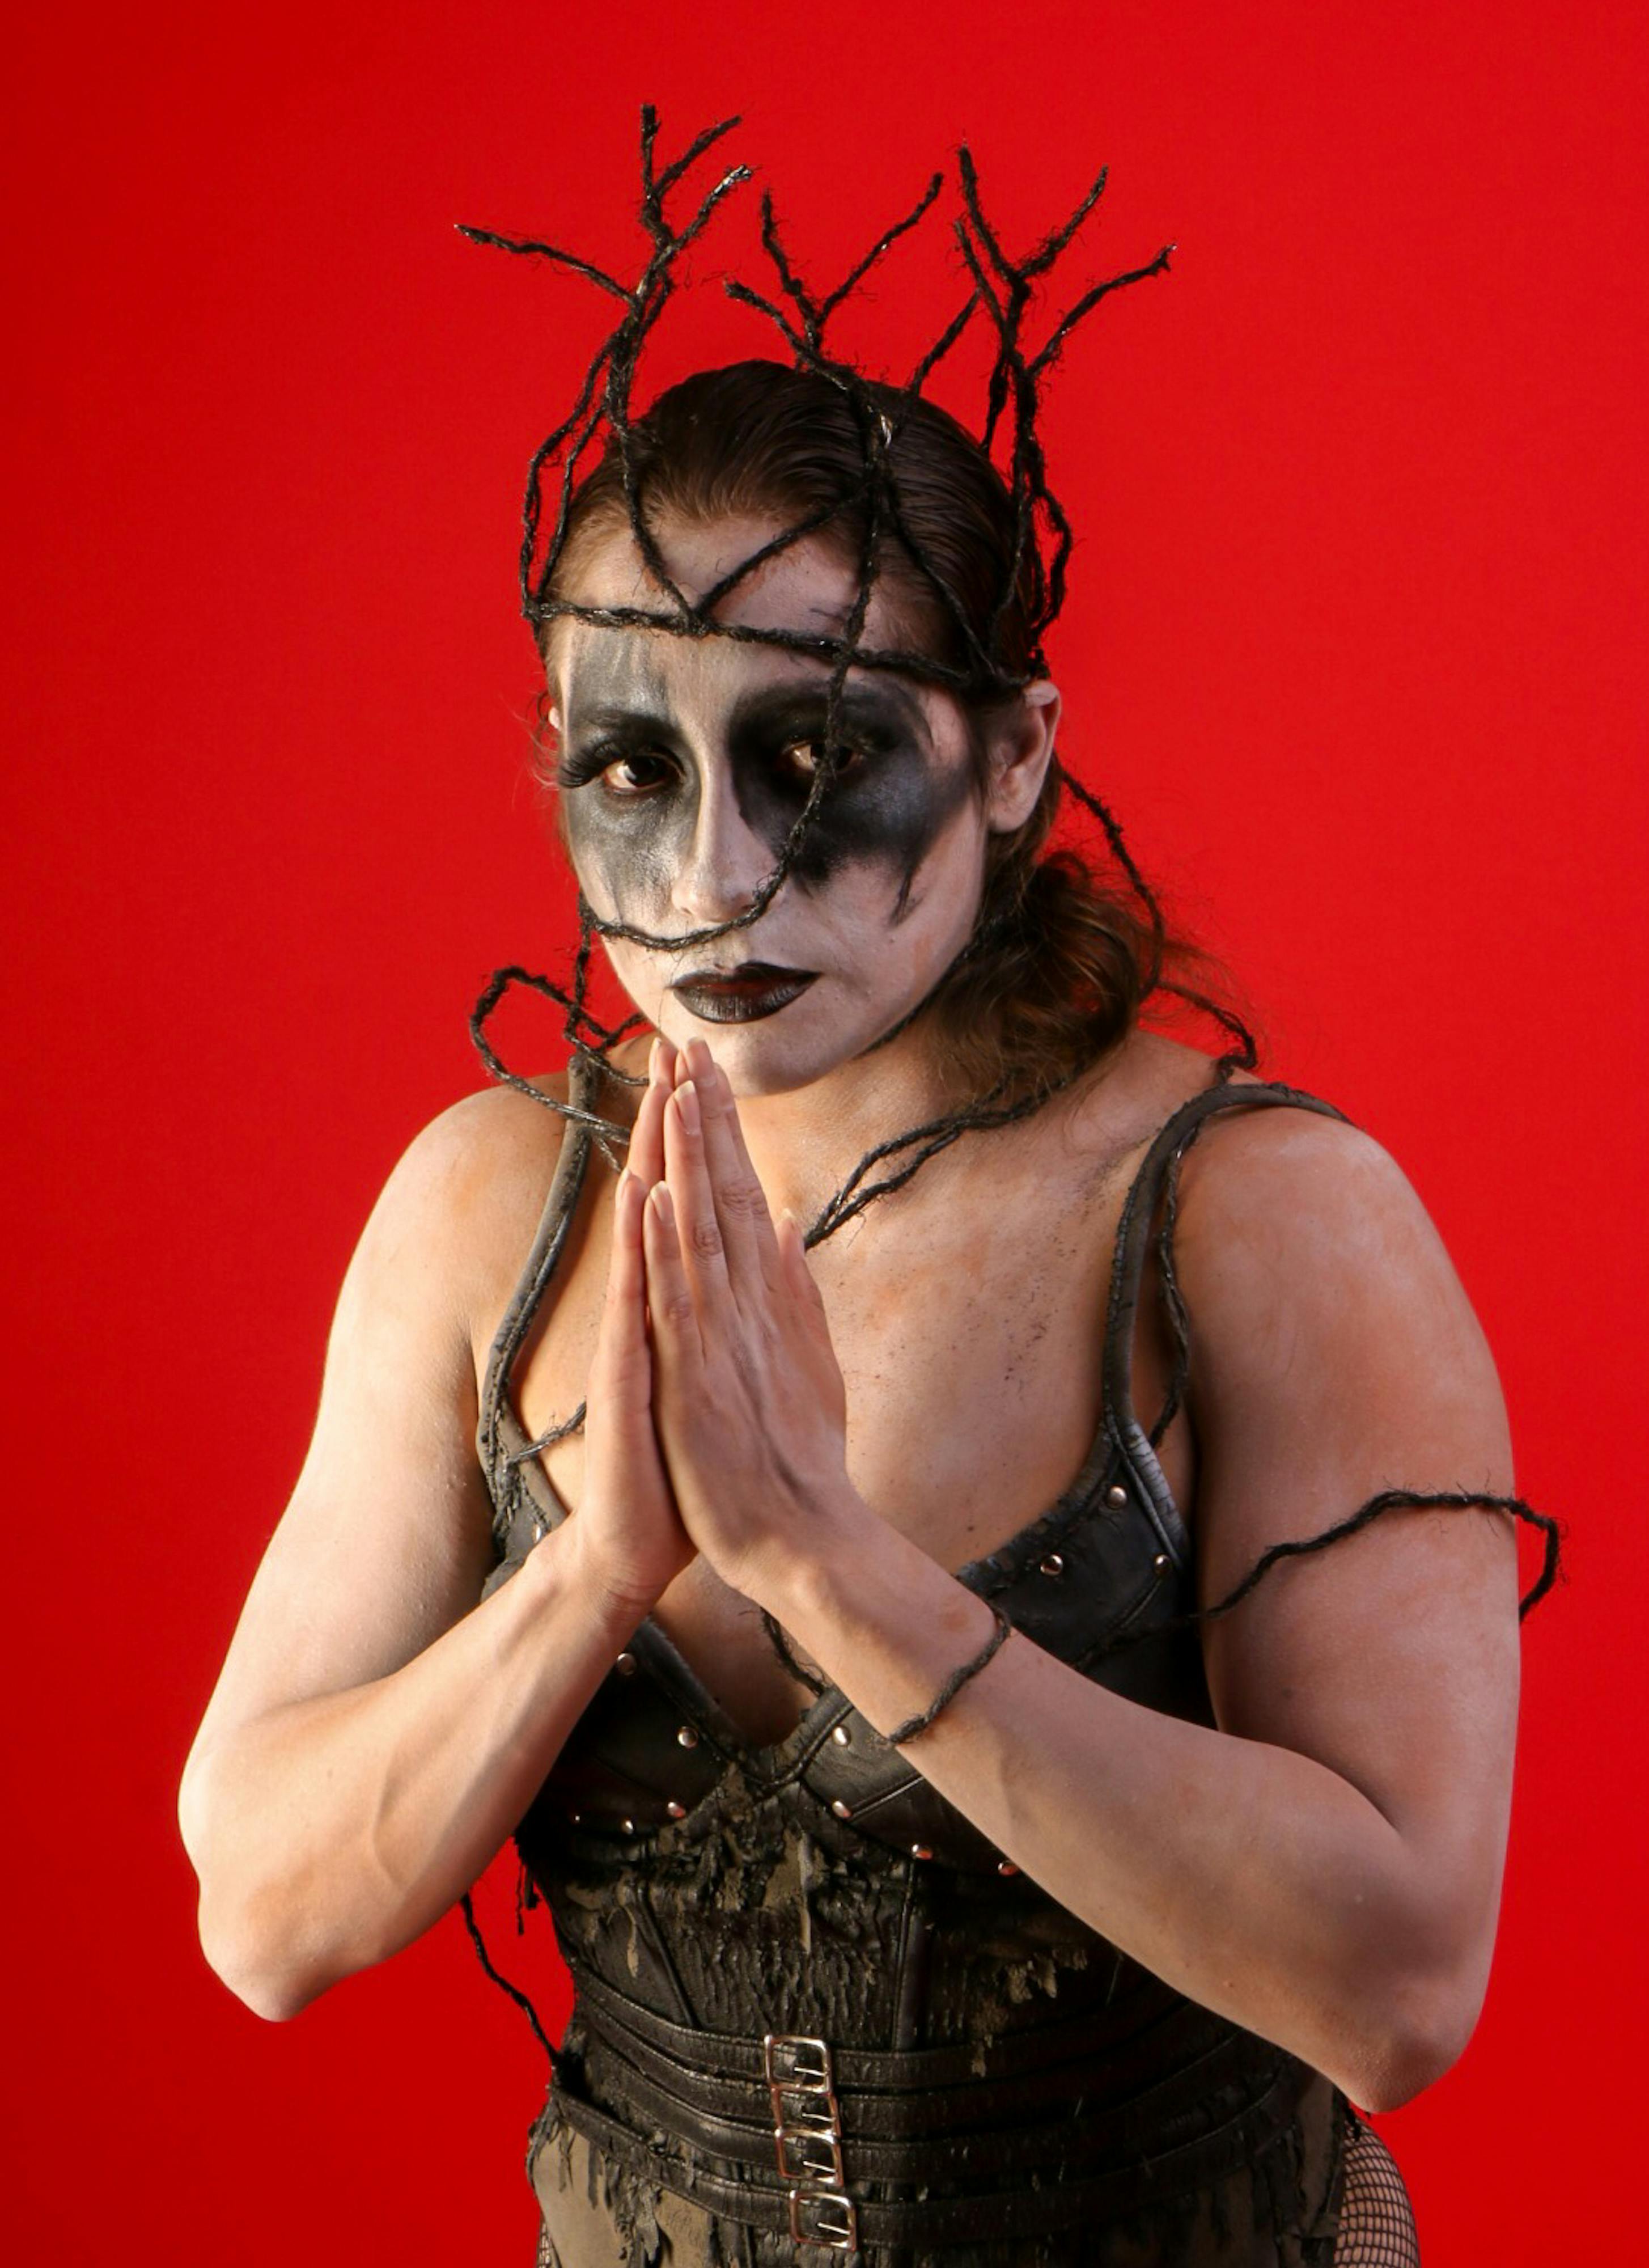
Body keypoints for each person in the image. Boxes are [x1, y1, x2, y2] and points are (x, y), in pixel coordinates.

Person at [179, 134, 1549, 2267]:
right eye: (634, 769)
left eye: (811, 762)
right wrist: (598, 1570)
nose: (714, 881)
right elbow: (261, 1916)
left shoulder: (1257, 1223)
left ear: (1011, 759)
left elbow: (1398, 1991)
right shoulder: (492, 1213)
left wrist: (824, 1560)